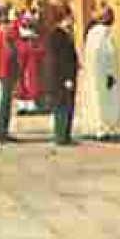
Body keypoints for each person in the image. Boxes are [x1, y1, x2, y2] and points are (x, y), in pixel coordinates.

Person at [80, 6, 120, 142]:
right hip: (103, 76)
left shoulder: (96, 33)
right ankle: (102, 130)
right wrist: (109, 74)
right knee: (102, 102)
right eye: (110, 15)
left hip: (101, 75)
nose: (113, 17)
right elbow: (103, 55)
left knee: (103, 101)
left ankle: (104, 129)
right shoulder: (100, 33)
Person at [47, 10, 79, 146]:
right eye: (71, 19)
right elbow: (61, 60)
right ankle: (61, 136)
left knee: (68, 106)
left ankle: (66, 135)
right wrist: (67, 78)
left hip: (67, 76)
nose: (73, 22)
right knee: (62, 106)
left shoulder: (66, 34)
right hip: (62, 78)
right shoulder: (57, 35)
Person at [0, 0, 19, 142]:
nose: (7, 15)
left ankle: (3, 130)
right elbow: (9, 47)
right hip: (6, 66)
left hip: (7, 66)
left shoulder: (3, 26)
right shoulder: (2, 27)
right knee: (5, 100)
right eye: (5, 12)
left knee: (7, 100)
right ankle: (0, 131)